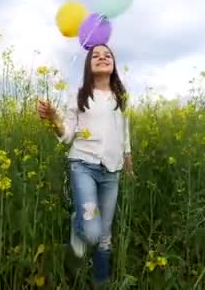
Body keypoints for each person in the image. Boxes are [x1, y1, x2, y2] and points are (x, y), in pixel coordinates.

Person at [37, 44, 133, 288]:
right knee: (91, 232)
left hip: (112, 170)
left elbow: (125, 133)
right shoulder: (78, 95)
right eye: (96, 56)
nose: (102, 58)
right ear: (88, 65)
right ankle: (78, 220)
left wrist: (128, 161)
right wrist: (53, 119)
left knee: (104, 236)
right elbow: (67, 135)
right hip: (83, 165)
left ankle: (100, 283)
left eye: (108, 55)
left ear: (114, 64)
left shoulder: (121, 98)